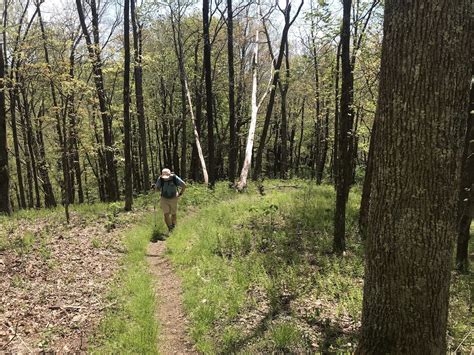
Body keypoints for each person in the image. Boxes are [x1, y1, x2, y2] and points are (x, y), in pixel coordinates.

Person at [154, 168, 186, 232]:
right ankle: (170, 228)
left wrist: (180, 194)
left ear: (170, 174)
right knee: (166, 214)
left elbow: (184, 185)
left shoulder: (174, 178)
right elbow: (157, 190)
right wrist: (155, 188)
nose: (165, 178)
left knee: (173, 214)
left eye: (167, 177)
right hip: (164, 198)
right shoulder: (160, 179)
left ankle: (173, 226)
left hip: (174, 198)